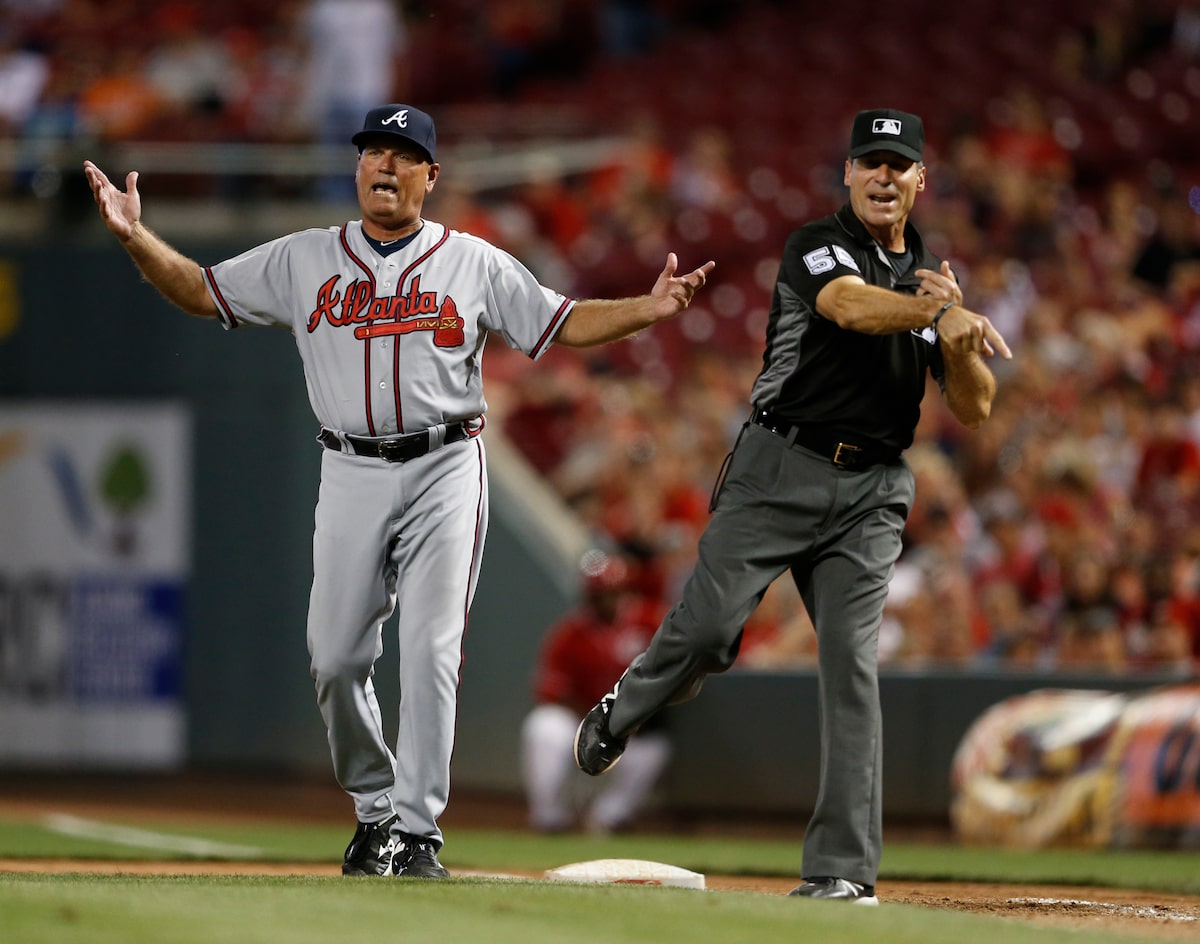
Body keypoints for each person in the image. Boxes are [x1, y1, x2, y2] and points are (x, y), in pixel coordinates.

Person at [82, 103, 714, 879]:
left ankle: (416, 832)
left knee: (431, 649)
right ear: (358, 167)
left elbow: (562, 323)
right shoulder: (305, 257)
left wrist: (650, 308)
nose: (384, 164)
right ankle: (376, 809)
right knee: (334, 657)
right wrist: (136, 237)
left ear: (430, 175)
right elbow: (200, 290)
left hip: (446, 463)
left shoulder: (473, 261)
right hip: (350, 467)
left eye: (402, 153)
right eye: (373, 151)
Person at [573, 108, 1012, 905]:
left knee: (852, 668)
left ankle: (843, 870)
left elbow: (975, 406)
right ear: (848, 173)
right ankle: (627, 704)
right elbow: (849, 307)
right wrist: (938, 313)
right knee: (709, 631)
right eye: (870, 162)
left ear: (921, 179)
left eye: (899, 164)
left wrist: (954, 342)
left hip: (872, 491)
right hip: (780, 466)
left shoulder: (932, 279)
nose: (883, 176)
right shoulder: (817, 244)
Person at [520, 549, 670, 834]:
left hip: (634, 724)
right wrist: (596, 721)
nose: (606, 600)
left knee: (654, 749)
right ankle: (550, 818)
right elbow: (551, 689)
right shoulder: (571, 632)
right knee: (543, 726)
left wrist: (633, 718)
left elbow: (670, 675)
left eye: (613, 593)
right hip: (583, 719)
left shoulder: (650, 621)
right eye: (599, 595)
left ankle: (610, 818)